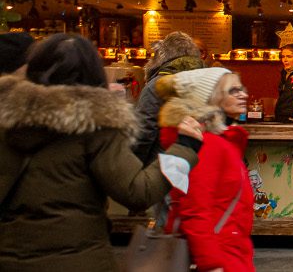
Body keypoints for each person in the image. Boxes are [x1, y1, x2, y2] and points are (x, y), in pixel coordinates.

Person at [0, 32, 200, 272]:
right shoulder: (96, 128)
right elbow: (139, 192)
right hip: (81, 261)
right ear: (95, 72)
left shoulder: (6, 122)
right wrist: (184, 148)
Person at [156, 65, 257, 272]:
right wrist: (211, 264)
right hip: (221, 256)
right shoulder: (208, 144)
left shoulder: (223, 141)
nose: (243, 95)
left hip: (230, 251)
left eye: (241, 88)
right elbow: (195, 210)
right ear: (211, 99)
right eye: (233, 91)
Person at [131, 29, 204, 162]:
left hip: (162, 165)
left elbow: (144, 131)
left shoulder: (157, 86)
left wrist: (135, 166)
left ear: (162, 57)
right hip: (196, 161)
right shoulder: (204, 82)